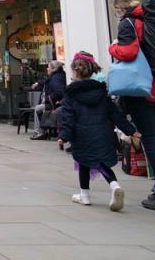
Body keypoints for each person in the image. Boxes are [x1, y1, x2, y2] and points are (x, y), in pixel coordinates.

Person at [58, 51, 140, 210]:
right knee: (102, 163)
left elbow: (68, 118)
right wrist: (131, 131)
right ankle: (115, 186)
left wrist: (64, 136)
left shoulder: (70, 94)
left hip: (81, 135)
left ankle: (85, 195)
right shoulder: (102, 91)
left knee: (83, 162)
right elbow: (115, 115)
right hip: (102, 133)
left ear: (75, 72)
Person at [110, 0, 155, 212]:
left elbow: (128, 52)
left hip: (144, 90)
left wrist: (113, 47)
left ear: (120, 8)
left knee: (150, 140)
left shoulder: (129, 23)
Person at [29, 60, 66, 140]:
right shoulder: (55, 76)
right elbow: (46, 82)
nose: (47, 68)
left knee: (38, 109)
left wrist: (47, 99)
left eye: (48, 67)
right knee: (38, 108)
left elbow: (59, 92)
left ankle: (40, 132)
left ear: (53, 69)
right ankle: (42, 131)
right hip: (51, 102)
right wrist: (38, 83)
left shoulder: (56, 78)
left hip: (54, 103)